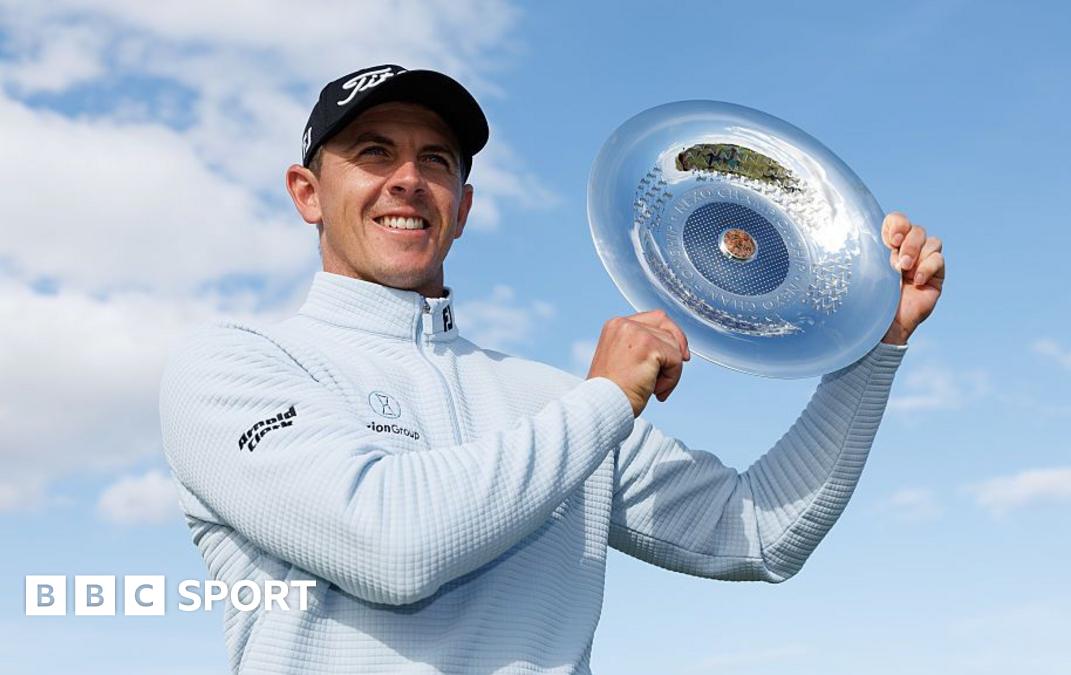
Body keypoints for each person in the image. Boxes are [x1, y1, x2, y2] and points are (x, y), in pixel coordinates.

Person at [159, 64, 945, 674]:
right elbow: (391, 546)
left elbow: (757, 533)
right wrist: (604, 400)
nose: (408, 179)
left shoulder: (549, 400)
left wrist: (876, 344)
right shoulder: (231, 368)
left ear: (462, 207)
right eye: (372, 152)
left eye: (436, 159)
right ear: (307, 193)